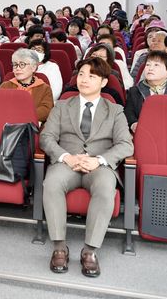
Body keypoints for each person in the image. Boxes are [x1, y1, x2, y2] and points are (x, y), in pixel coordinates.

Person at [41, 57, 133, 278]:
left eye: (91, 76)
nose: (84, 79)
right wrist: (65, 156)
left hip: (99, 165)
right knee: (51, 183)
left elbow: (125, 144)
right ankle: (59, 246)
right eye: (81, 74)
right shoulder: (62, 106)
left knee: (104, 187)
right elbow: (46, 138)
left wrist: (99, 160)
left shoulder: (115, 110)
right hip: (67, 162)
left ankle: (90, 251)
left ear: (103, 82)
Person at [0, 48, 54, 123]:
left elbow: (46, 111)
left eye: (22, 64)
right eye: (15, 65)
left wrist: (21, 115)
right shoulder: (5, 86)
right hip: (7, 127)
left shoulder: (44, 88)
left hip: (31, 127)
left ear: (33, 67)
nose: (17, 68)